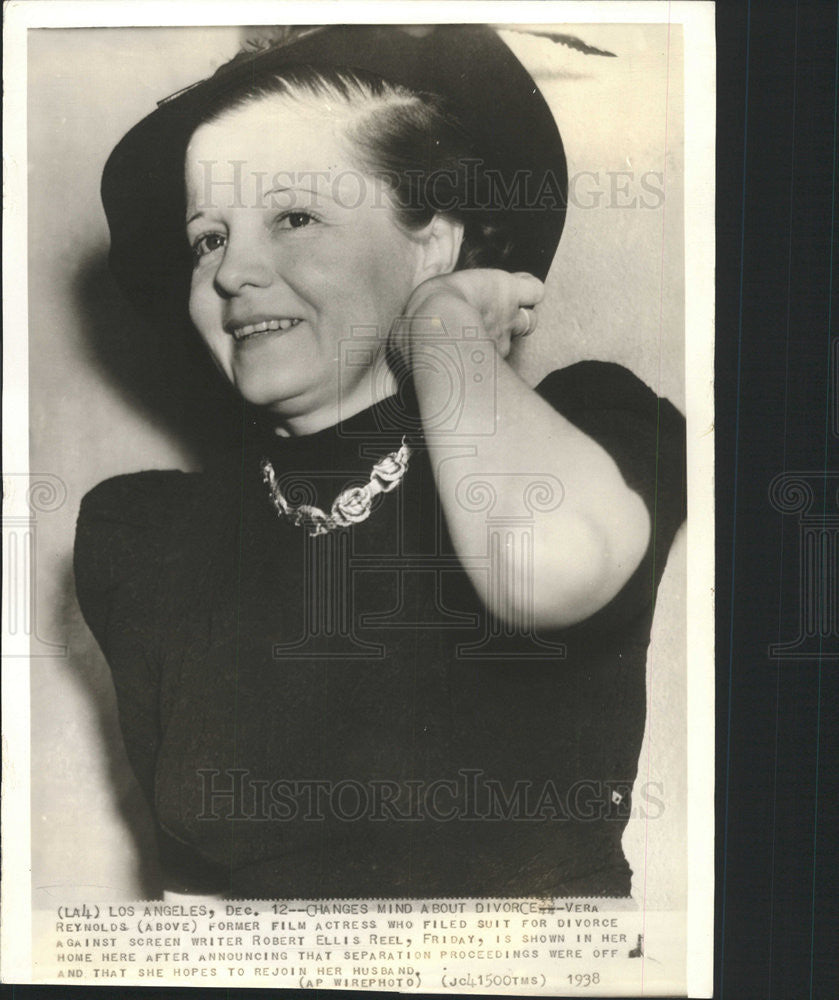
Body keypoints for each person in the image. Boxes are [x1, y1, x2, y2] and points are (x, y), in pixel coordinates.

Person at [74, 24, 686, 900]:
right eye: (208, 237)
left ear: (432, 244)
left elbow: (544, 569)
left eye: (294, 218)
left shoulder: (593, 425)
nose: (232, 271)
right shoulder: (143, 536)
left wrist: (437, 325)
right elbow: (189, 896)